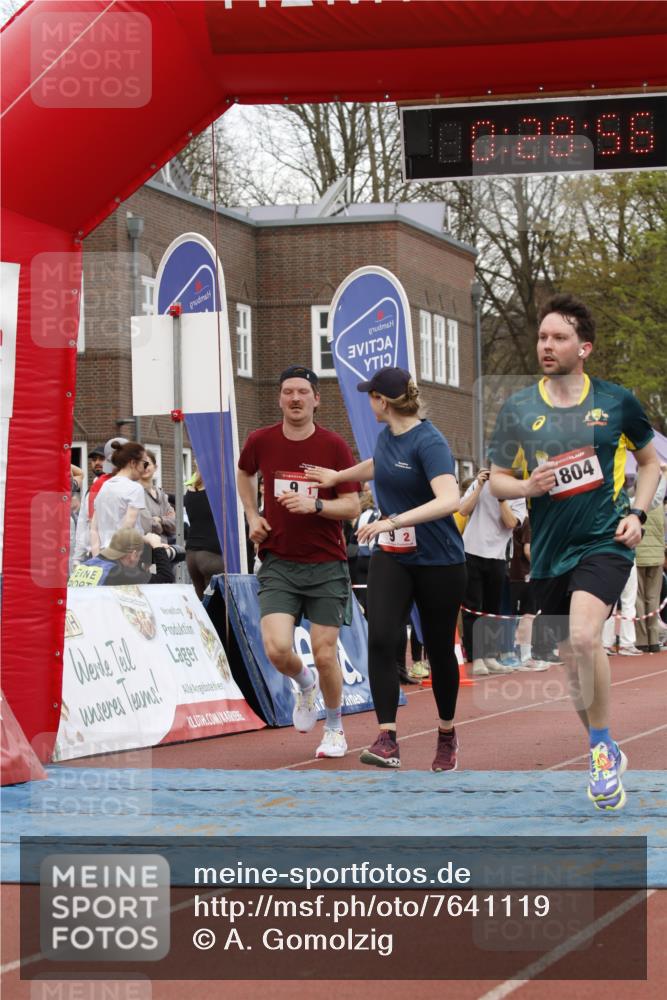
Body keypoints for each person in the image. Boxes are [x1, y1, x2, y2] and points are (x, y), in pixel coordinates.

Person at [488, 292, 660, 811]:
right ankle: (603, 742)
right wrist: (528, 488)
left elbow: (651, 463)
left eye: (559, 337)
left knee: (586, 638)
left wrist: (638, 514)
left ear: (583, 348)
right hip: (548, 554)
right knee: (570, 662)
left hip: (604, 542)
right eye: (542, 336)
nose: (547, 344)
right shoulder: (519, 408)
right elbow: (496, 481)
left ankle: (600, 754)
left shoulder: (615, 401)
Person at [310, 366, 466, 772]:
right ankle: (387, 738)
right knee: (381, 638)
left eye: (370, 396)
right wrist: (339, 476)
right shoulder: (387, 437)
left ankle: (447, 734)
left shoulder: (429, 441)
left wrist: (394, 521)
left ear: (382, 401)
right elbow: (379, 464)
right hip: (393, 556)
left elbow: (450, 499)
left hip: (439, 560)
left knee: (437, 649)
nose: (369, 402)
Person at [237, 364, 360, 760]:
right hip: (279, 561)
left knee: (326, 653)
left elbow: (353, 506)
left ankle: (336, 728)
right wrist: (252, 516)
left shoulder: (333, 447)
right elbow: (244, 473)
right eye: (288, 391)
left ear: (315, 399)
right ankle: (305, 684)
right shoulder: (261, 440)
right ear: (280, 398)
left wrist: (316, 504)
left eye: (302, 392)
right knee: (275, 649)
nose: (294, 398)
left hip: (326, 564)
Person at [459, 466, 526, 674]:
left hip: (497, 555)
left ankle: (490, 655)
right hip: (471, 551)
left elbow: (511, 523)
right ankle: (476, 657)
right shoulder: (481, 483)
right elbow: (463, 509)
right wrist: (478, 485)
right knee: (472, 607)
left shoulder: (517, 493)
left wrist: (501, 498)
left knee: (492, 609)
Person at [90, 441, 148, 555]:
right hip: (126, 555)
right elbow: (128, 526)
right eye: (144, 464)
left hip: (104, 553)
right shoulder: (135, 488)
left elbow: (93, 528)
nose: (145, 469)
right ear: (133, 463)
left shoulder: (104, 486)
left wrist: (96, 557)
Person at [69, 528, 175, 586]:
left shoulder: (88, 564)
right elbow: (166, 578)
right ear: (133, 555)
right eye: (139, 556)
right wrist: (157, 546)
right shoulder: (118, 572)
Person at [635, 466, 667, 652]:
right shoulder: (658, 507)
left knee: (638, 598)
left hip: (638, 555)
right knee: (653, 598)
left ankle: (641, 639)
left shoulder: (635, 503)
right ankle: (654, 639)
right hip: (656, 556)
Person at [184, 466, 226, 599]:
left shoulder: (189, 491)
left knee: (202, 604)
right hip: (211, 554)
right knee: (217, 606)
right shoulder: (218, 491)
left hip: (191, 555)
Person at [139, 449, 176, 542]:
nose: (145, 467)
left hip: (163, 549)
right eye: (141, 464)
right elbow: (147, 526)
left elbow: (176, 524)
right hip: (145, 550)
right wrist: (164, 522)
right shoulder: (135, 494)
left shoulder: (162, 494)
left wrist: (159, 519)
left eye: (148, 463)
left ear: (155, 467)